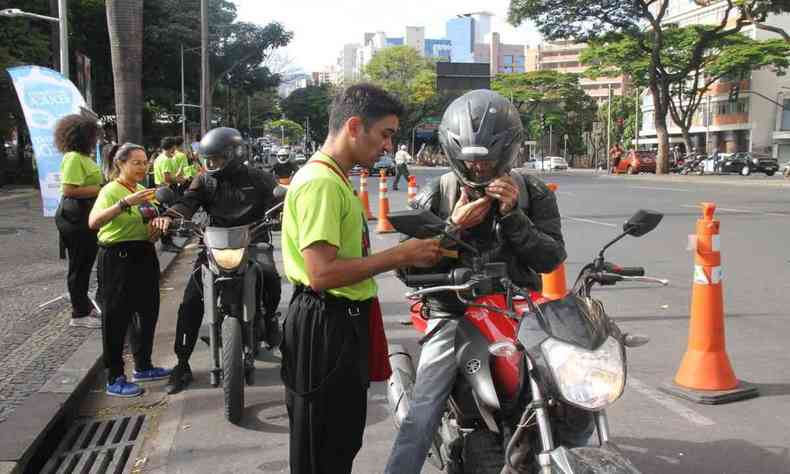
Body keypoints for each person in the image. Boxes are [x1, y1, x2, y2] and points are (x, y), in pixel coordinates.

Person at [385, 90, 588, 474]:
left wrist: (514, 216)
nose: (479, 170)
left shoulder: (533, 193)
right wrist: (452, 227)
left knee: (573, 388)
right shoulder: (438, 193)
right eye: (470, 161)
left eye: (489, 160)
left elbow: (550, 259)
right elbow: (404, 265)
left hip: (520, 311)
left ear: (508, 153)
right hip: (454, 311)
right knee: (425, 409)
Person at [279, 83, 443, 474]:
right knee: (324, 450)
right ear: (355, 126)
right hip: (326, 323)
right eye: (385, 134)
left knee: (339, 440)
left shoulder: (333, 177)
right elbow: (321, 273)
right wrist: (398, 255)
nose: (388, 146)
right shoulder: (321, 183)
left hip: (338, 320)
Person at [163, 127, 284, 395]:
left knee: (271, 277)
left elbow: (279, 198)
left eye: (216, 158)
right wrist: (172, 216)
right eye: (208, 159)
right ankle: (182, 364)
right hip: (215, 243)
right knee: (191, 300)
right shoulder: (204, 181)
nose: (211, 164)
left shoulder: (259, 177)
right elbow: (187, 203)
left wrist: (283, 211)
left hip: (253, 240)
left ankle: (270, 318)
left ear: (234, 154)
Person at [88, 143, 172, 397]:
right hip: (117, 259)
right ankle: (115, 377)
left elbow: (154, 218)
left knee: (147, 312)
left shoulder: (143, 191)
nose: (142, 167)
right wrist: (125, 203)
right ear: (120, 164)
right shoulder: (111, 191)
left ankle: (143, 366)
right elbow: (94, 222)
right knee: (116, 318)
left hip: (144, 255)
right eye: (136, 162)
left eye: (144, 162)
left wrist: (162, 222)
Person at [53, 114, 103, 329]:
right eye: (93, 135)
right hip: (75, 217)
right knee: (79, 265)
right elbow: (69, 189)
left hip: (84, 215)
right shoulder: (73, 157)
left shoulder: (83, 157)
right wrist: (101, 189)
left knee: (84, 263)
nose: (96, 139)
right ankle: (79, 313)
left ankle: (83, 305)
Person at [153, 138, 182, 252]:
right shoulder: (166, 159)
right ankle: (167, 242)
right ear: (172, 147)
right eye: (174, 147)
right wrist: (181, 179)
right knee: (169, 215)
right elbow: (168, 178)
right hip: (167, 189)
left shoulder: (158, 158)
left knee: (163, 214)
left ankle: (167, 241)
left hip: (159, 189)